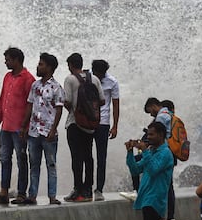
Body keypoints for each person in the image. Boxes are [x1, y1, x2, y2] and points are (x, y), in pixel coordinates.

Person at [0, 47, 35, 205]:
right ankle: (4, 193)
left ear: (16, 60)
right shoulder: (7, 77)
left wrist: (26, 126)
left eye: (8, 59)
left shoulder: (28, 79)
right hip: (6, 128)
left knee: (21, 160)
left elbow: (31, 105)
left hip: (19, 128)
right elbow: (2, 101)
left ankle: (21, 193)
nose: (5, 62)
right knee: (4, 159)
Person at [21, 52, 65, 205]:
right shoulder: (35, 85)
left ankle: (52, 196)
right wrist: (24, 126)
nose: (38, 67)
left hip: (48, 133)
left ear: (50, 68)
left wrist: (53, 129)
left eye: (41, 64)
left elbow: (59, 110)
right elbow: (29, 105)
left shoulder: (57, 87)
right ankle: (32, 195)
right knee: (34, 164)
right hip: (33, 131)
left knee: (51, 164)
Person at [63, 53, 104, 202]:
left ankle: (77, 190)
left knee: (76, 157)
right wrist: (89, 113)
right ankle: (88, 190)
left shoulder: (70, 79)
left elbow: (66, 101)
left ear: (71, 65)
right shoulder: (94, 79)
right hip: (90, 125)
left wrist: (77, 111)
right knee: (88, 156)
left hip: (75, 124)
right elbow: (102, 101)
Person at [119, 97, 171, 204]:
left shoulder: (161, 117)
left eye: (151, 135)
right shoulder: (167, 113)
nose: (151, 115)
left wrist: (144, 149)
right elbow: (135, 169)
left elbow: (153, 169)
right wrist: (129, 152)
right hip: (148, 200)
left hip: (155, 202)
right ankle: (137, 191)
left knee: (168, 187)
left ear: (153, 106)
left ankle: (136, 191)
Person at [91, 59, 120, 201]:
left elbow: (115, 104)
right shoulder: (87, 78)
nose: (100, 77)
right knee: (86, 156)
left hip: (103, 123)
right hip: (88, 122)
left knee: (101, 157)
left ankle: (99, 189)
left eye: (102, 74)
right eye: (98, 73)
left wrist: (115, 126)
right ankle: (85, 187)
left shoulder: (112, 82)